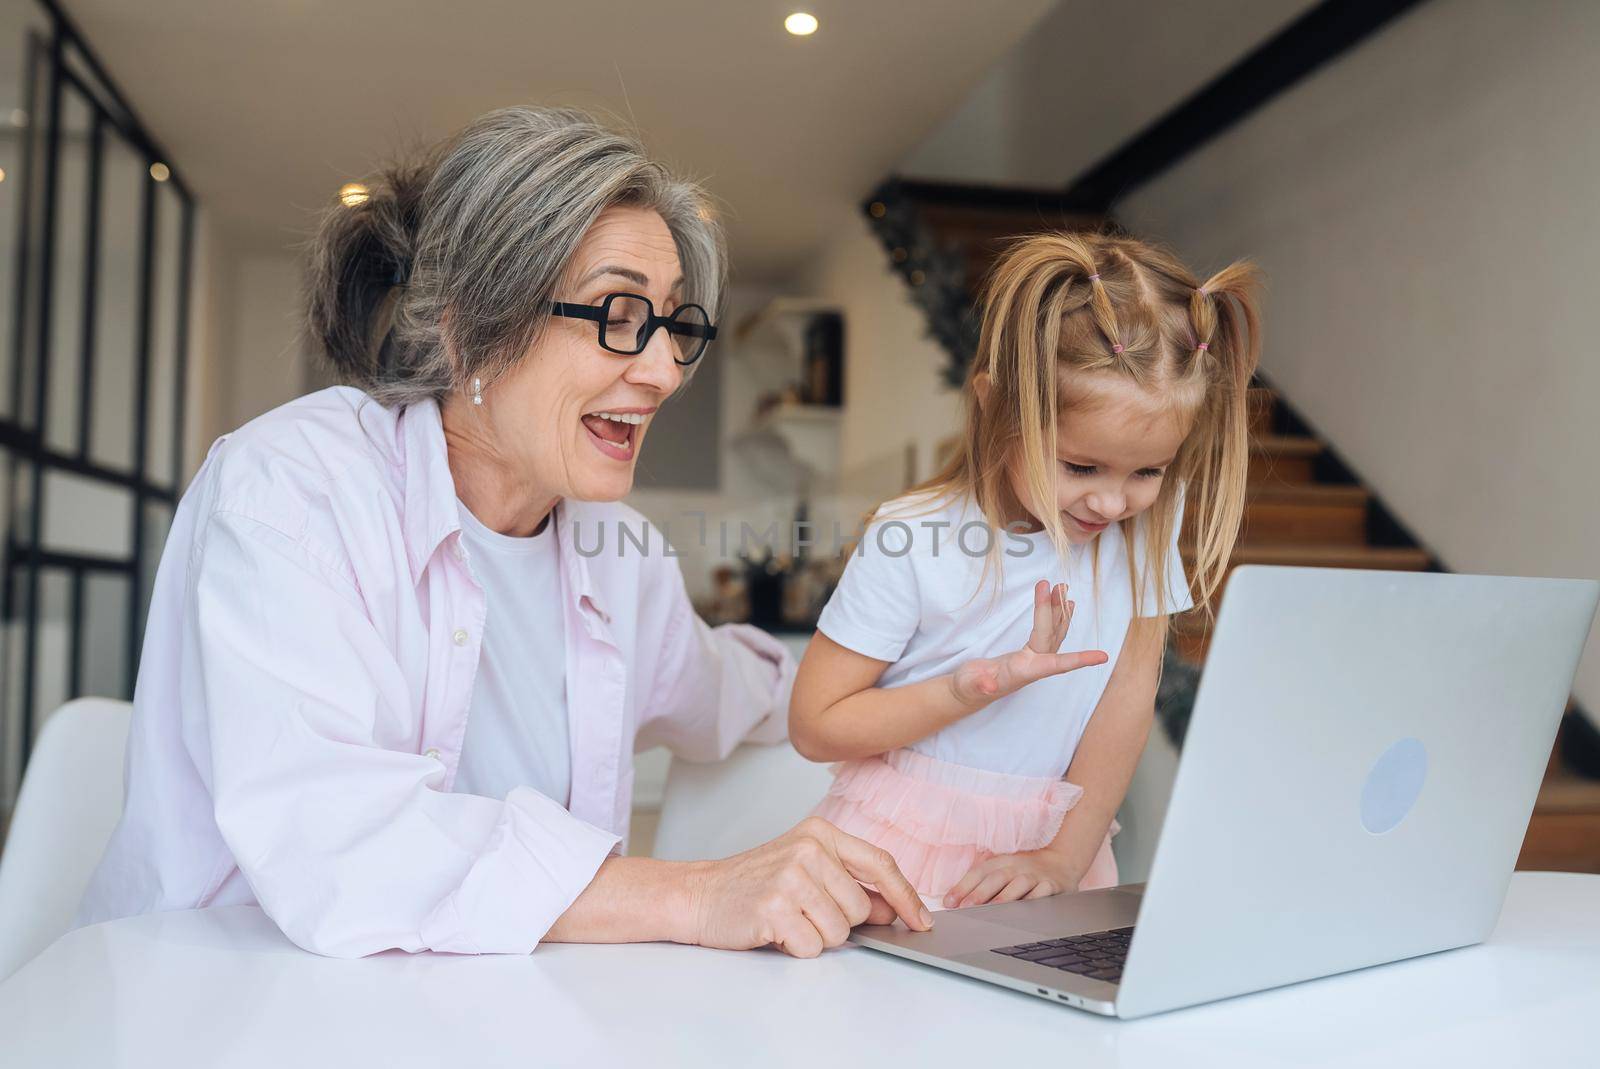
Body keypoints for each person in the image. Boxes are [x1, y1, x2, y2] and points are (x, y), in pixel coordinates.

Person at [77, 106, 929, 958]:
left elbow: (732, 694)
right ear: (468, 328)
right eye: (617, 313)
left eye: (672, 323)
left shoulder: (619, 556)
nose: (666, 369)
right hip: (220, 1006)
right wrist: (701, 893)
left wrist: (924, 668)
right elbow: (335, 834)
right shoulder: (293, 486)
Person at [789, 231, 1261, 910]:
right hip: (895, 850)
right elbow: (815, 724)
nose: (1111, 501)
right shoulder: (913, 536)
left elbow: (1126, 701)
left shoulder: (1144, 530)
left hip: (1051, 856)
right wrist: (970, 687)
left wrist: (1065, 855)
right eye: (1081, 466)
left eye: (1147, 471)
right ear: (995, 404)